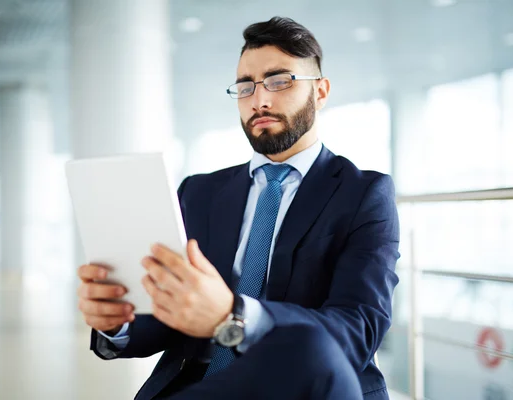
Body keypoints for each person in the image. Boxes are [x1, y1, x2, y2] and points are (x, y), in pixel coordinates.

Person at [77, 16, 400, 400]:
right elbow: (169, 320)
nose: (259, 100)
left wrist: (233, 315)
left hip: (300, 387)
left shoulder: (363, 193)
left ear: (321, 91)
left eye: (280, 81)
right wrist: (118, 323)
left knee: (309, 351)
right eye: (246, 87)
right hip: (199, 383)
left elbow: (357, 330)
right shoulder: (199, 192)